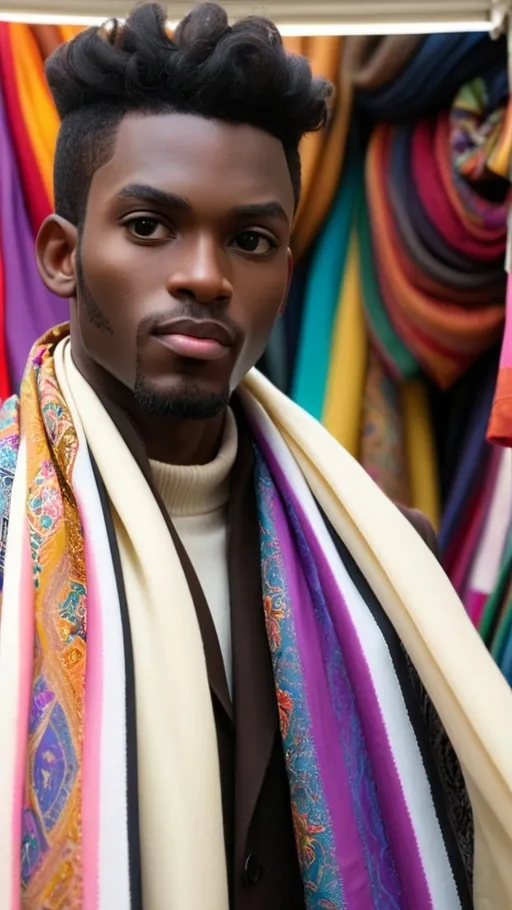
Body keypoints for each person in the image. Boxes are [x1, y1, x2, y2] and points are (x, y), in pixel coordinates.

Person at [0, 4, 511, 909]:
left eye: (251, 240)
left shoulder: (389, 562)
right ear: (62, 255)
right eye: (152, 226)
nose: (206, 275)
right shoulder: (9, 536)